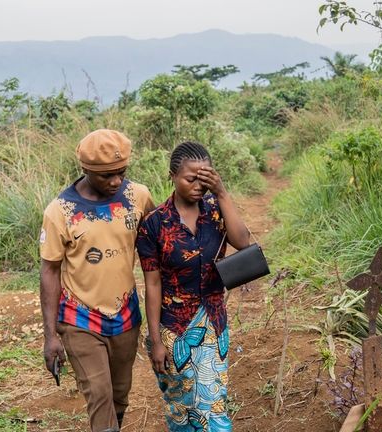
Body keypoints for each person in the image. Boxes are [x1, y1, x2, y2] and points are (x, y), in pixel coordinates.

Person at [39, 129, 154, 432]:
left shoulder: (137, 196)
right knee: (99, 394)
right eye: (106, 176)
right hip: (80, 317)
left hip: (126, 313)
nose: (116, 181)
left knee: (119, 394)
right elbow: (49, 270)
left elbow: (157, 244)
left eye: (121, 173)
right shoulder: (60, 212)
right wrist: (50, 335)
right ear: (86, 170)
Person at [136, 141, 250, 431]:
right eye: (190, 179)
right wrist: (156, 341)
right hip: (172, 328)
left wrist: (222, 192)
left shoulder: (215, 211)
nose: (198, 186)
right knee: (181, 406)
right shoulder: (154, 224)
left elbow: (243, 241)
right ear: (172, 176)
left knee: (213, 403)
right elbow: (152, 284)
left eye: (204, 179)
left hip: (212, 319)